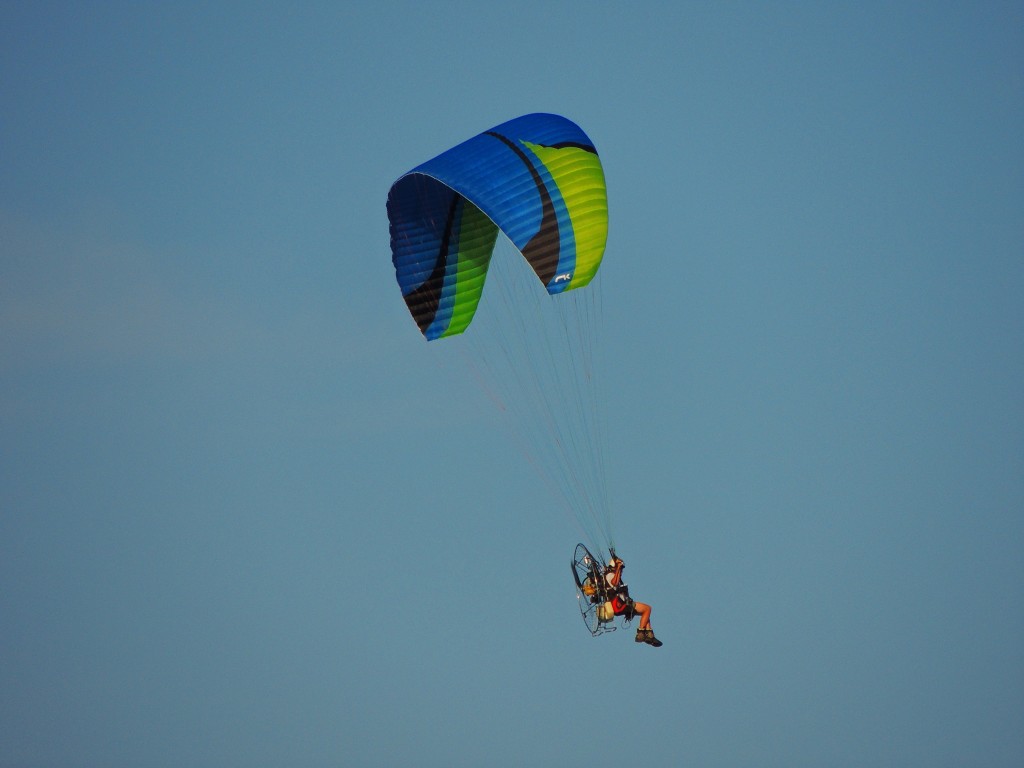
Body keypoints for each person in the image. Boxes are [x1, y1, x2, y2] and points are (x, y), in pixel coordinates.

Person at [605, 556, 662, 647]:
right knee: (648, 608)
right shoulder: (610, 575)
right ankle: (640, 634)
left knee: (645, 614)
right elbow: (614, 583)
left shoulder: (612, 575)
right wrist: (619, 568)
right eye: (621, 569)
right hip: (620, 605)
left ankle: (650, 635)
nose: (622, 572)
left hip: (621, 605)